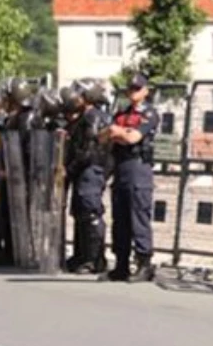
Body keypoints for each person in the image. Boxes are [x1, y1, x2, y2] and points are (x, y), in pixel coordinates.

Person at [105, 72, 159, 283]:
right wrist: (120, 132)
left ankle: (144, 264)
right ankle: (121, 265)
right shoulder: (121, 114)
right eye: (130, 89)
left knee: (139, 218)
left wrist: (119, 133)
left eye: (137, 89)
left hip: (139, 169)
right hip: (121, 168)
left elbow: (133, 137)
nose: (133, 93)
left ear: (146, 91)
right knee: (120, 219)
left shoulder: (149, 114)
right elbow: (104, 135)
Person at [63, 80, 111, 274]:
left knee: (90, 212)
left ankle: (94, 259)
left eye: (80, 95)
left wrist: (71, 168)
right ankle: (81, 255)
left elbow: (89, 149)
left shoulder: (92, 117)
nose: (76, 98)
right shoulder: (84, 117)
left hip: (91, 170)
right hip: (84, 170)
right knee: (81, 212)